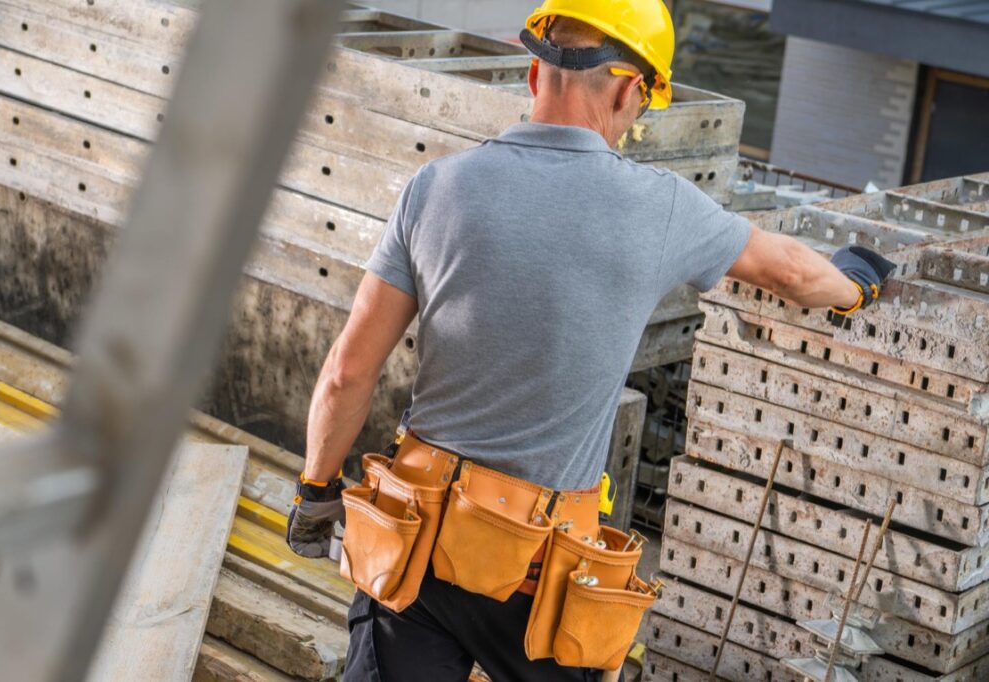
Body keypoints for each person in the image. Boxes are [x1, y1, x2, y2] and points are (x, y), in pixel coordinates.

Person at [285, 1, 896, 679]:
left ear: (533, 74)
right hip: (544, 574)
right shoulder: (662, 208)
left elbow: (347, 371)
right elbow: (790, 271)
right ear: (633, 89)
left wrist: (315, 491)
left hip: (418, 545)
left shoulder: (436, 188)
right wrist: (854, 283)